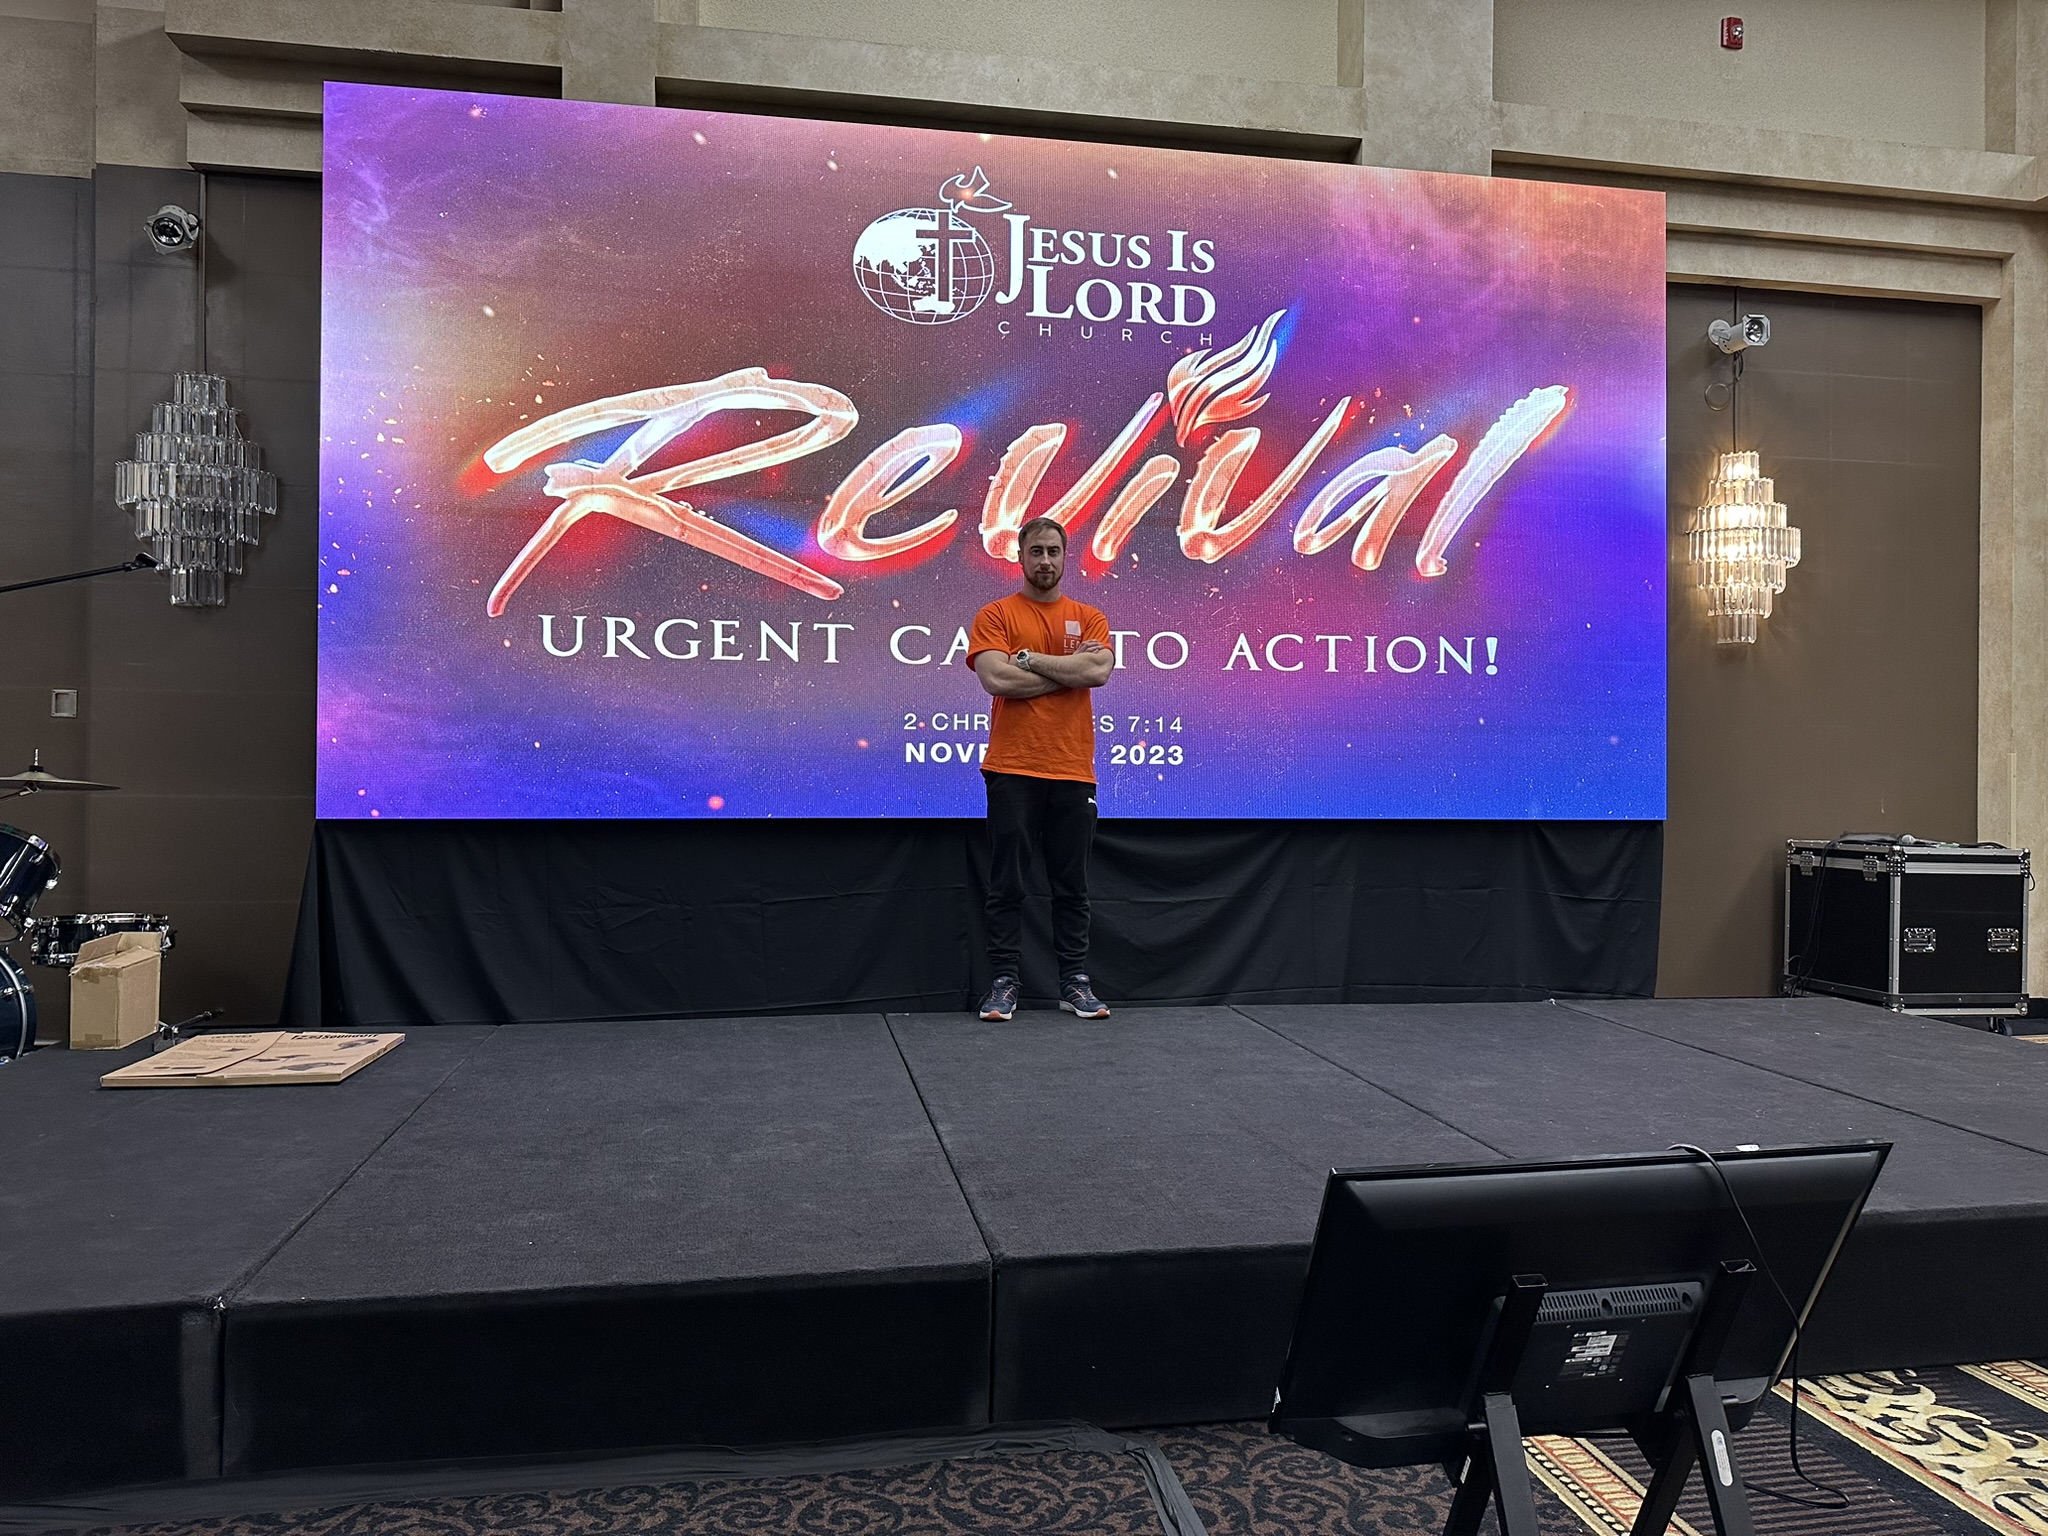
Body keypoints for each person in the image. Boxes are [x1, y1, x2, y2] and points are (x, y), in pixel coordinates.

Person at [965, 515, 1115, 1021]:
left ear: (1065, 557)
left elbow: (1098, 670)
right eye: (1036, 551)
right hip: (1013, 767)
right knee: (1007, 884)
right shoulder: (995, 614)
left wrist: (1027, 659)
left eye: (1053, 551)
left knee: (1072, 887)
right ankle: (1004, 982)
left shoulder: (1089, 617)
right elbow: (997, 680)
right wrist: (1067, 673)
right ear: (1020, 557)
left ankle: (1074, 982)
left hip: (1073, 770)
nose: (1045, 560)